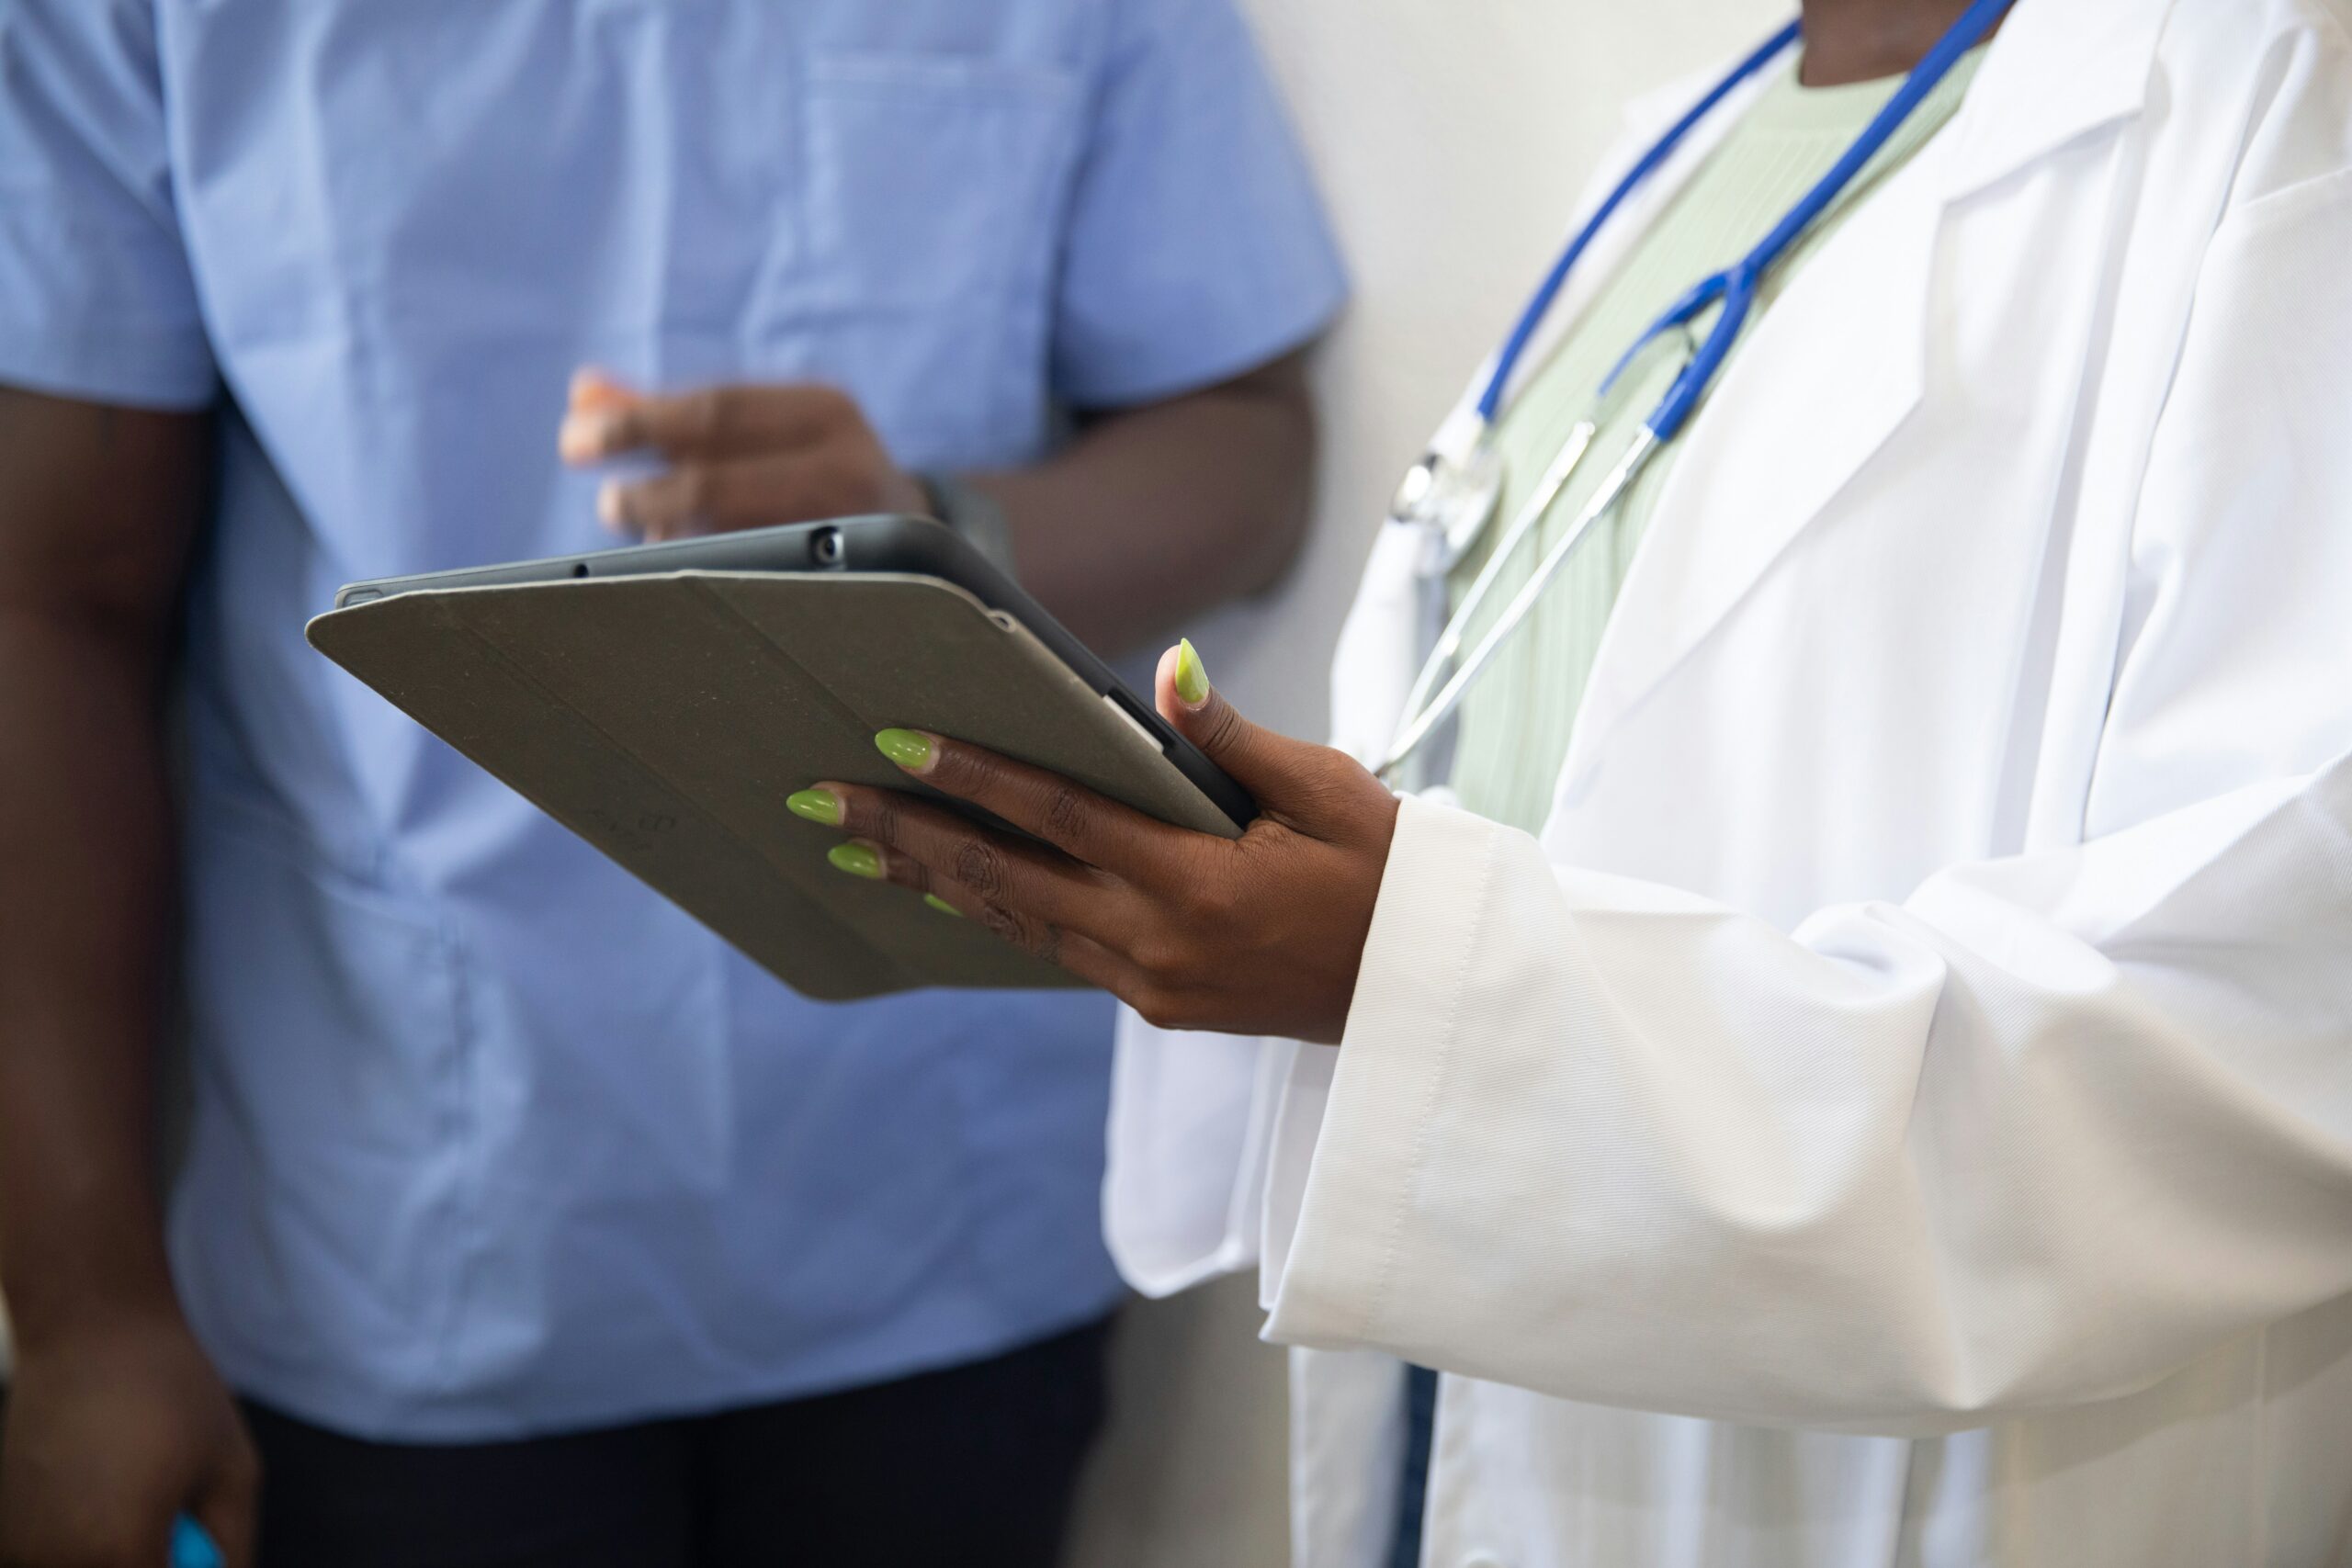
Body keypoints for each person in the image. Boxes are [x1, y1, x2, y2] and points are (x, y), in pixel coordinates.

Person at [775, 0, 2352, 1562]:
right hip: (1460, 1340)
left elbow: (2267, 1002)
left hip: (1866, 1453)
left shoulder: (2269, 105)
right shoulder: (1687, 145)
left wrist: (1425, 980)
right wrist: (1233, 880)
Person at [0, 0, 1342, 1562]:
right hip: (415, 1233)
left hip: (949, 1208)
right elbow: (51, 598)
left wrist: (943, 533)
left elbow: (1251, 440)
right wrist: (84, 1312)